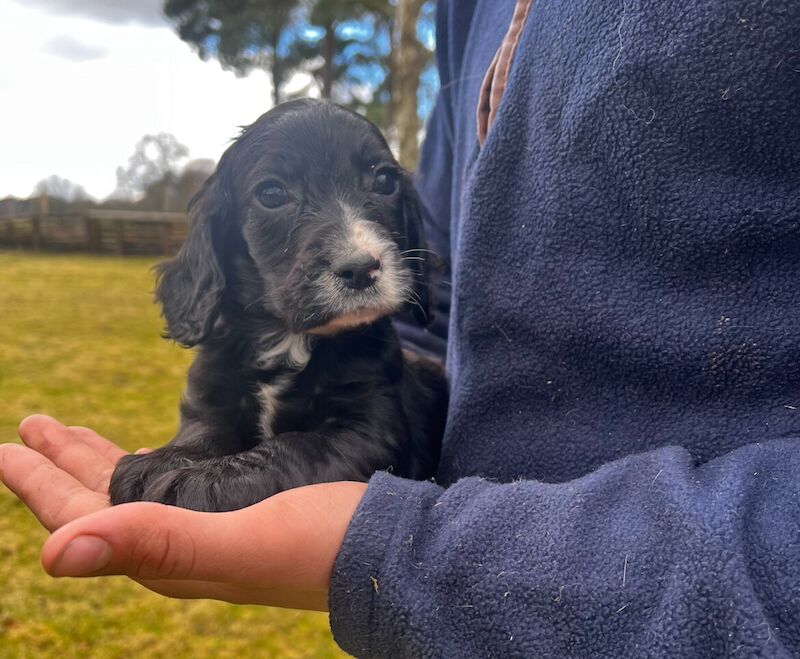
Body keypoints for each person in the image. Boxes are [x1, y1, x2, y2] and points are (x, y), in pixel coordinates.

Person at [2, 0, 800, 655]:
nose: (357, 245)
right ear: (222, 236)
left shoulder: (373, 358)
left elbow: (382, 384)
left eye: (378, 182)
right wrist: (186, 457)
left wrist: (234, 486)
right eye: (278, 196)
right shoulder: (470, 10)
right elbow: (452, 279)